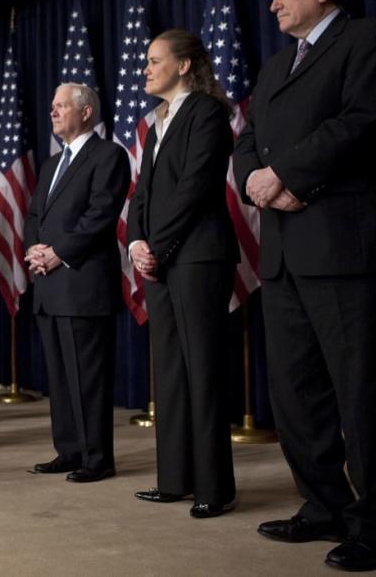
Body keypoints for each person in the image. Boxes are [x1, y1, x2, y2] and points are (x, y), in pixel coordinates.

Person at [232, 0, 376, 571]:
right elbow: (247, 140)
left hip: (342, 247)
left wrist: (285, 175)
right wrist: (257, 175)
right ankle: (322, 504)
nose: (274, 1)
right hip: (282, 252)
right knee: (296, 394)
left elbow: (359, 122)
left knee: (359, 393)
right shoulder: (278, 63)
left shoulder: (369, 38)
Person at [127, 29, 239, 518]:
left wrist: (158, 245)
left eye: (155, 60)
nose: (146, 69)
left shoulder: (209, 113)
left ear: (186, 64)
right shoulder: (157, 123)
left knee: (203, 370)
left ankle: (214, 487)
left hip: (198, 256)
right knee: (169, 371)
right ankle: (174, 479)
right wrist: (135, 241)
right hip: (160, 258)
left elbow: (195, 188)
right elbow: (142, 194)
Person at [23, 83, 130, 483]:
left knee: (87, 378)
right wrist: (34, 248)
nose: (52, 112)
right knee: (61, 377)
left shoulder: (109, 155)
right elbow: (34, 215)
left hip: (81, 283)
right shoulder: (51, 164)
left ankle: (97, 458)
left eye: (61, 106)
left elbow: (101, 214)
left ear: (86, 112)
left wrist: (58, 252)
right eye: (51, 106)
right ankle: (68, 450)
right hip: (48, 285)